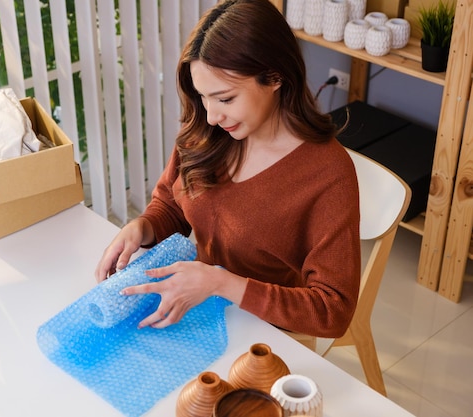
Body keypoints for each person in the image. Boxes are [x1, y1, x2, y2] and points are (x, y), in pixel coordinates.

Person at [95, 0, 361, 339]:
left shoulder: (328, 174)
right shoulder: (209, 132)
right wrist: (141, 228)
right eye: (204, 97)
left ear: (275, 76)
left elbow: (332, 312)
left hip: (267, 331)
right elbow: (172, 204)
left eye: (225, 98)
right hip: (199, 304)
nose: (210, 116)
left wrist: (221, 282)